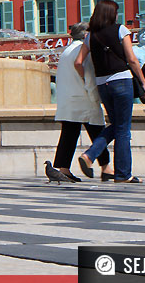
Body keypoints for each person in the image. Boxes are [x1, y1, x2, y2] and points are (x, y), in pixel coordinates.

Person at [75, 0, 145, 183]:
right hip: (122, 81)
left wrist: (87, 79)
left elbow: (78, 62)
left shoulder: (90, 36)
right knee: (123, 130)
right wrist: (143, 82)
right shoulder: (120, 29)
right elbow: (132, 59)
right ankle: (123, 174)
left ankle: (90, 155)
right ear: (111, 14)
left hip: (103, 85)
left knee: (117, 125)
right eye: (116, 12)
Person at [53, 23, 113, 181]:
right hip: (84, 98)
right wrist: (96, 97)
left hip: (68, 99)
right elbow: (89, 77)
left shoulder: (66, 51)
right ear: (86, 35)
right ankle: (106, 167)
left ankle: (63, 168)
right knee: (98, 131)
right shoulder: (84, 51)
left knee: (69, 134)